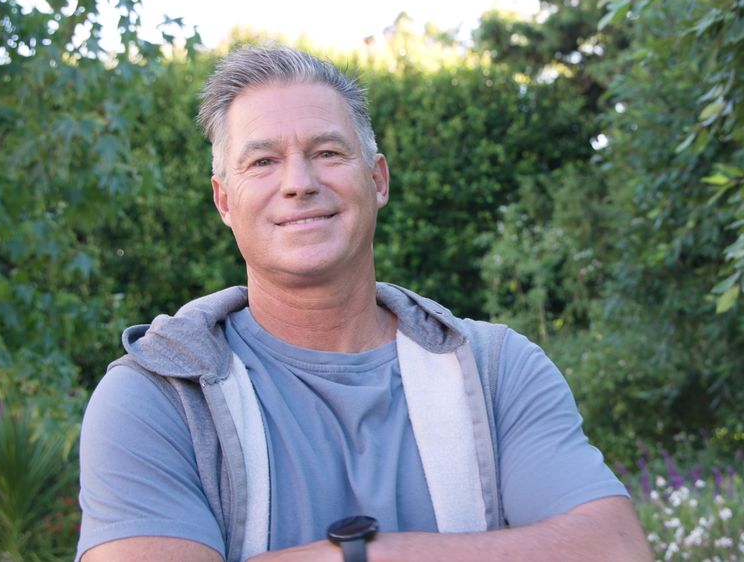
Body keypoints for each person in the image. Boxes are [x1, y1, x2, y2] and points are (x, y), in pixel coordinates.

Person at [76, 46, 652, 562]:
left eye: (327, 151)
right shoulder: (156, 397)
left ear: (377, 180)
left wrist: (363, 556)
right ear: (224, 201)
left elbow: (614, 548)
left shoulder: (498, 369)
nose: (299, 182)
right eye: (262, 161)